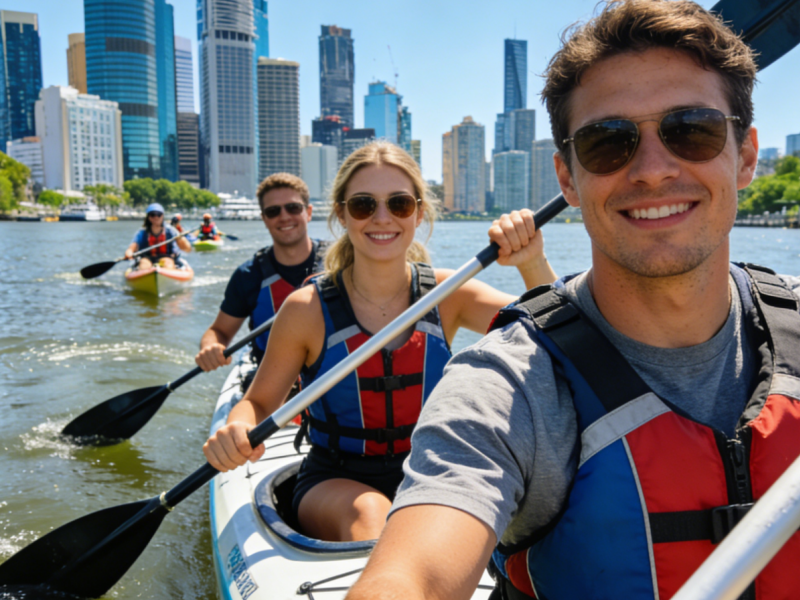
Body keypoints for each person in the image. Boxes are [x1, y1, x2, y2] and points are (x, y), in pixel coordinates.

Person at [346, 2, 800, 600]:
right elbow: (413, 579)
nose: (653, 170)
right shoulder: (505, 389)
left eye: (692, 129)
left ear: (744, 157)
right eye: (608, 143)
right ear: (567, 179)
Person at [203, 142, 558, 544]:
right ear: (341, 214)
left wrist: (532, 262)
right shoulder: (305, 309)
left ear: (419, 213)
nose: (382, 217)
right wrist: (237, 427)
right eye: (363, 205)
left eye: (400, 204)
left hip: (433, 469)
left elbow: (553, 331)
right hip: (335, 479)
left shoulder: (449, 292)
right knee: (374, 515)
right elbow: (260, 403)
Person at [195, 173, 331, 379]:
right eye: (273, 211)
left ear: (309, 212)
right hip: (273, 384)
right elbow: (219, 331)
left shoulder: (340, 262)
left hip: (333, 379)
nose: (284, 216)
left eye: (293, 208)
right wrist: (211, 347)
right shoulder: (248, 275)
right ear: (264, 219)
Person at [124, 202, 191, 270]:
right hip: (147, 257)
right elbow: (132, 248)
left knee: (168, 263)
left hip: (167, 256)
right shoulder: (143, 232)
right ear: (148, 217)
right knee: (144, 264)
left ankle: (166, 277)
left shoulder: (171, 231)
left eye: (158, 214)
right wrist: (129, 253)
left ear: (162, 216)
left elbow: (187, 248)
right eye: (152, 214)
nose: (156, 217)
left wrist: (180, 238)